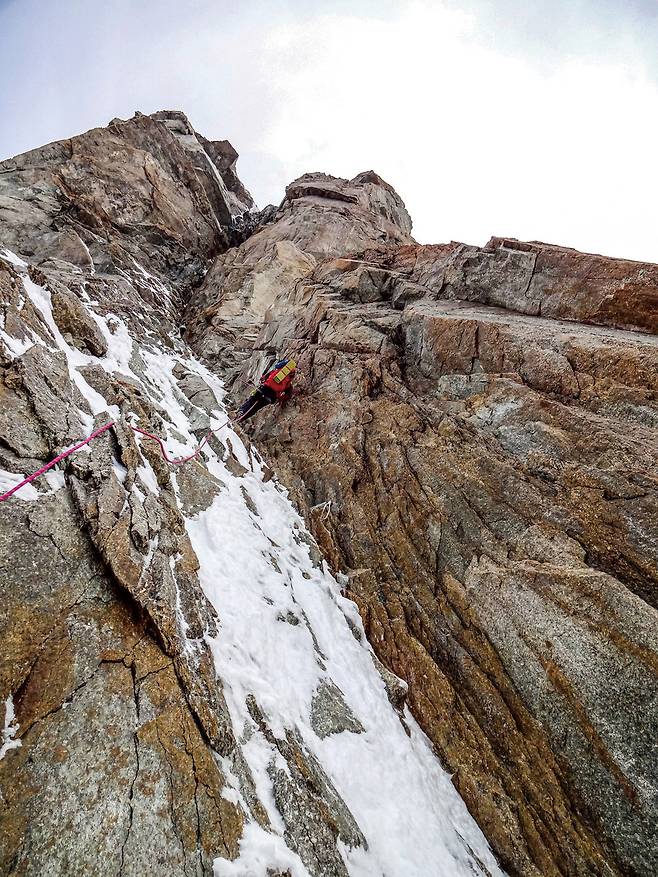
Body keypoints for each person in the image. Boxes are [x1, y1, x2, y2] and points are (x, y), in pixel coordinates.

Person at [237, 357, 297, 423]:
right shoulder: (289, 381)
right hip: (270, 397)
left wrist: (262, 381)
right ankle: (241, 419)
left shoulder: (278, 370)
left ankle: (240, 412)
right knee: (255, 409)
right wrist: (280, 399)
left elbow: (268, 375)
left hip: (264, 389)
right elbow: (287, 394)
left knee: (251, 401)